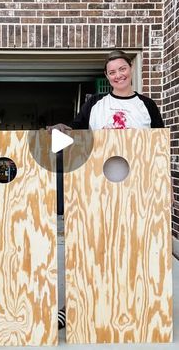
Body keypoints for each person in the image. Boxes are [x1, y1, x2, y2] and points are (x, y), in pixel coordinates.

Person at [47, 50, 165, 329]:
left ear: (130, 70)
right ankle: (74, 307)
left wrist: (165, 188)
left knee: (134, 249)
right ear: (107, 76)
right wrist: (61, 130)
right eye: (112, 72)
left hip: (138, 191)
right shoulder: (95, 104)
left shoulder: (147, 106)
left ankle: (134, 308)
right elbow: (76, 135)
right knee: (91, 249)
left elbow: (159, 147)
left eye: (122, 69)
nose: (118, 75)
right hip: (96, 191)